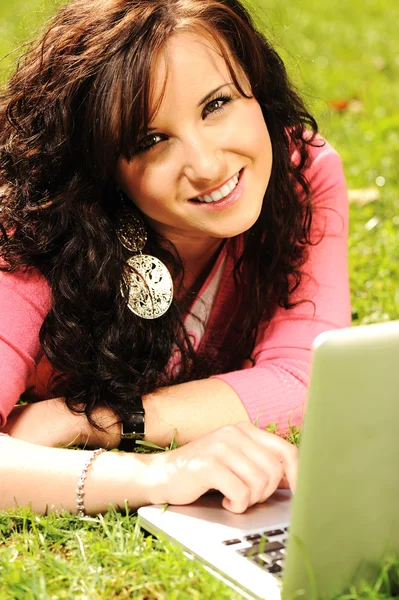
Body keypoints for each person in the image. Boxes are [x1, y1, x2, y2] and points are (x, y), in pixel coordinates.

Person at [0, 0, 350, 515]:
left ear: (258, 87)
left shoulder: (298, 174)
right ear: (100, 169)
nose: (207, 166)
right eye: (150, 140)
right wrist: (157, 473)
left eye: (217, 105)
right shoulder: (32, 228)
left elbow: (307, 381)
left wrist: (87, 419)